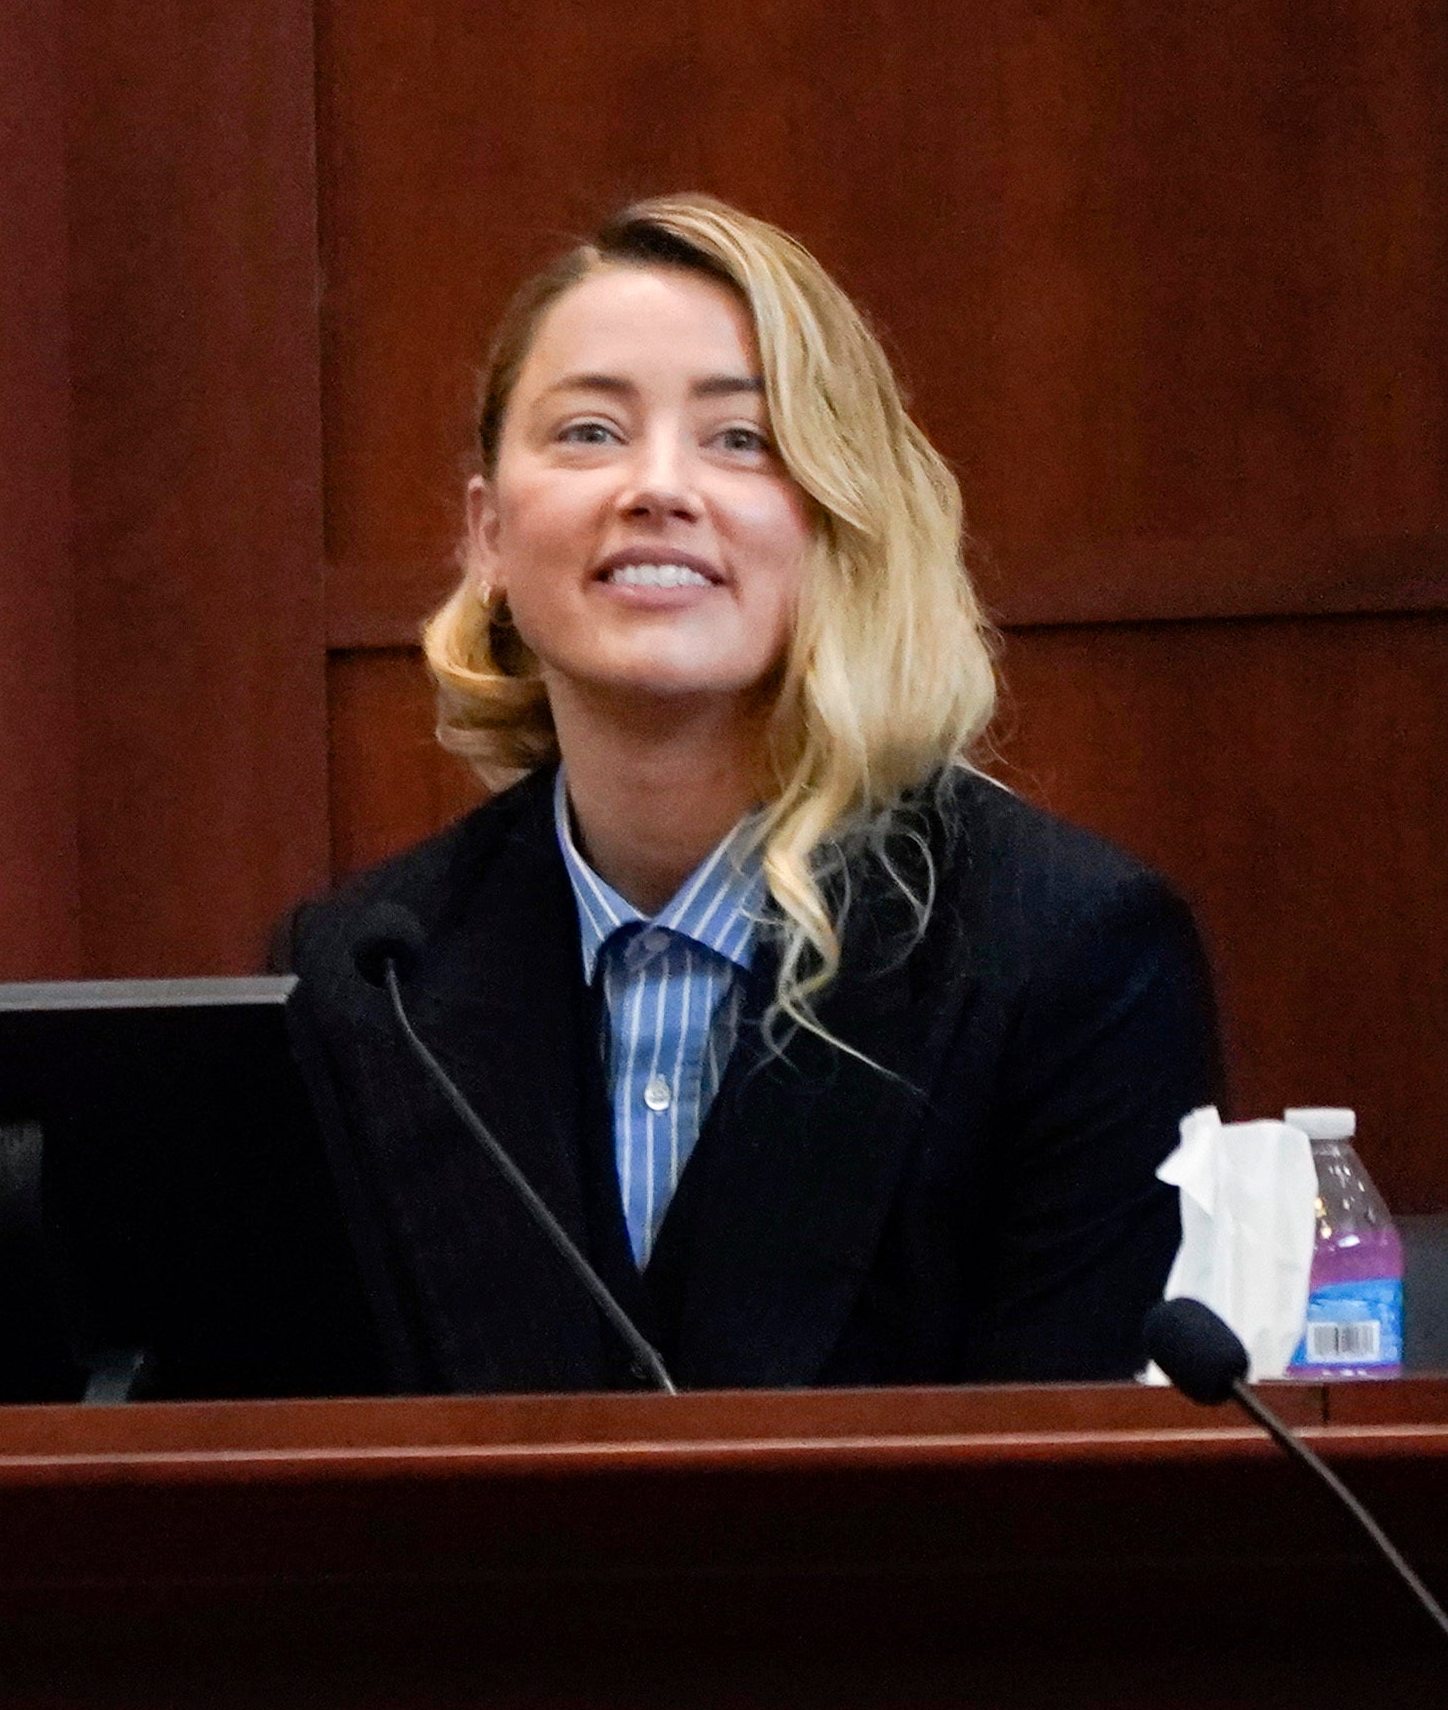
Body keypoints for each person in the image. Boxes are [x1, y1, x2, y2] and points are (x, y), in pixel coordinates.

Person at [280, 195, 1220, 1388]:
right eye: (585, 434)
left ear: (839, 522)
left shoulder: (1068, 955)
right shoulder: (369, 980)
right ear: (487, 539)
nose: (656, 487)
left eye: (741, 440)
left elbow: (1051, 1520)